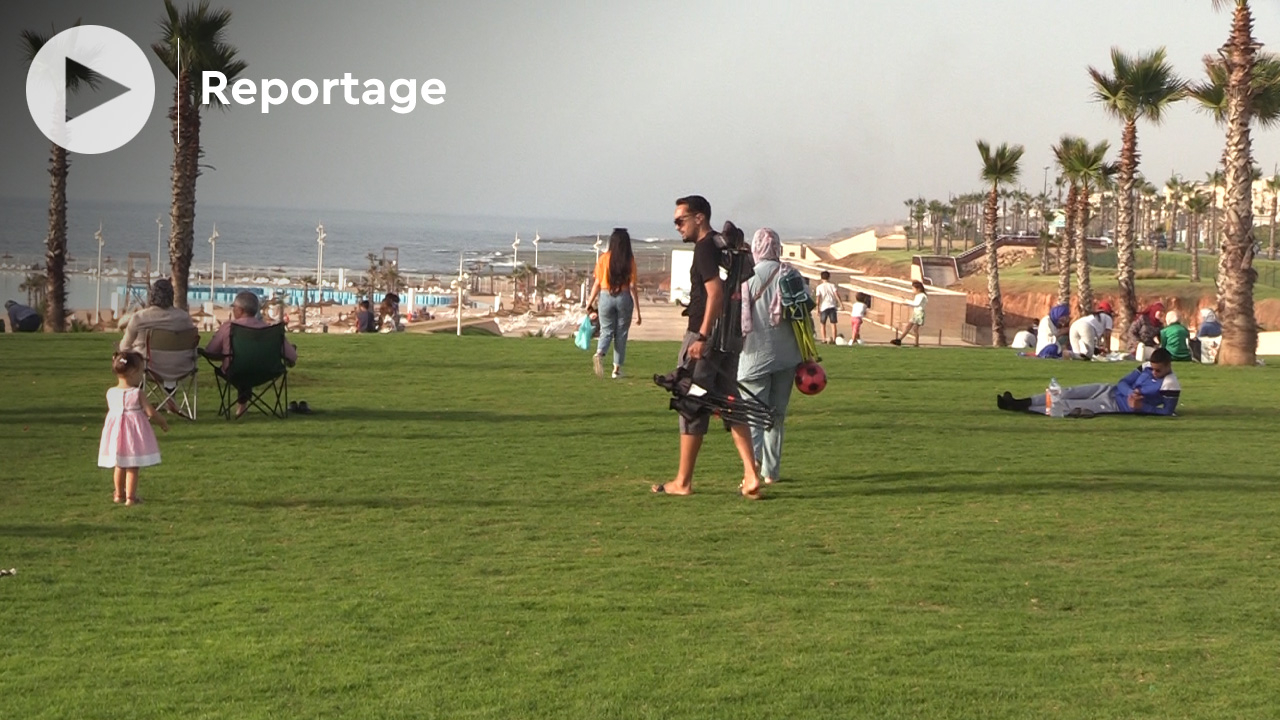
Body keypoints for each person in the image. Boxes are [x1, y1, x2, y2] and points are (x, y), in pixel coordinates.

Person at [652, 195, 765, 499]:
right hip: (730, 337)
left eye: (680, 220)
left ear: (699, 218)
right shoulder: (722, 244)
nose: (677, 227)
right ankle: (752, 475)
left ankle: (682, 482)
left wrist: (701, 338)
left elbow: (714, 293)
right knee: (730, 401)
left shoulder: (704, 249)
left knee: (690, 400)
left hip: (707, 336)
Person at [738, 228, 804, 486]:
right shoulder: (791, 274)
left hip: (753, 355)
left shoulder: (746, 276)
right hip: (787, 356)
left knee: (753, 416)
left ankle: (751, 470)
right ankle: (770, 472)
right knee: (776, 417)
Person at [996, 348, 1181, 417]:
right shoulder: (1147, 366)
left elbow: (1167, 411)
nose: (1155, 373)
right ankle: (1019, 401)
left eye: (1159, 370)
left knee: (1069, 405)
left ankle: (1020, 408)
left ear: (1168, 366)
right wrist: (1129, 393)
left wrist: (1140, 407)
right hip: (1110, 390)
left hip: (1114, 405)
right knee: (1066, 392)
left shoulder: (1170, 383)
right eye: (1153, 369)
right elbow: (1123, 381)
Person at [204, 291, 298, 418]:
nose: (233, 310)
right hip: (268, 371)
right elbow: (292, 357)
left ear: (240, 310)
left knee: (242, 366)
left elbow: (210, 351)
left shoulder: (229, 327)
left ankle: (240, 407)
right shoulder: (270, 330)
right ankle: (242, 406)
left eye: (234, 308)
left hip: (235, 371)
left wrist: (225, 354)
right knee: (248, 366)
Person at [99, 350, 169, 505]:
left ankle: (118, 494)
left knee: (119, 464)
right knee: (132, 465)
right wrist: (162, 422)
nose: (141, 376)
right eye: (140, 372)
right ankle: (130, 497)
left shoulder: (111, 392)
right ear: (131, 372)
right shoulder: (137, 393)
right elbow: (150, 412)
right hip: (132, 434)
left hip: (116, 435)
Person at [586, 227, 642, 379]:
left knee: (606, 329)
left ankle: (600, 353)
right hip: (624, 296)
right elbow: (632, 286)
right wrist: (638, 311)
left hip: (605, 295)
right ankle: (616, 370)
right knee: (621, 334)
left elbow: (597, 282)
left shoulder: (603, 258)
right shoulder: (629, 260)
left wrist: (589, 302)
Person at [118, 279, 197, 354]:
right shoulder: (184, 318)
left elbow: (124, 347)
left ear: (151, 296)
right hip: (181, 366)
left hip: (147, 365)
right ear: (172, 296)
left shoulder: (139, 318)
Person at [890, 281, 928, 346]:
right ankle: (900, 340)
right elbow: (915, 303)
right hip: (916, 313)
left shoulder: (921, 296)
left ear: (918, 289)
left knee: (914, 328)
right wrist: (906, 301)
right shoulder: (919, 296)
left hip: (919, 313)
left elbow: (916, 304)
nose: (912, 290)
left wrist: (907, 302)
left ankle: (915, 343)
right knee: (909, 327)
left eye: (913, 288)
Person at [813, 271, 841, 344]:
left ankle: (823, 339)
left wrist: (817, 309)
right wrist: (841, 304)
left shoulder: (819, 287)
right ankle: (834, 339)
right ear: (829, 277)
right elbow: (836, 295)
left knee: (823, 324)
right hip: (832, 306)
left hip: (824, 307)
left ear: (821, 278)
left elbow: (818, 299)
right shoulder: (832, 285)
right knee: (833, 323)